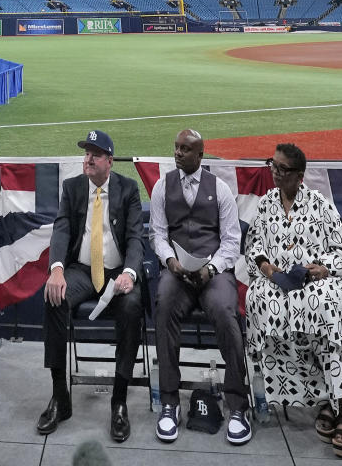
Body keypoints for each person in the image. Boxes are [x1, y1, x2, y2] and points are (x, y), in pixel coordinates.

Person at [246, 142, 342, 459]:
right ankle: (330, 399)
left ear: (299, 176)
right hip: (280, 284)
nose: (274, 172)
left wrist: (323, 268)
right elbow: (254, 244)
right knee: (263, 300)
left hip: (321, 281)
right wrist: (268, 269)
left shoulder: (319, 204)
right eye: (272, 165)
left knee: (324, 307)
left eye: (282, 169)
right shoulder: (266, 204)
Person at [36, 128, 143, 445]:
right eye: (86, 153)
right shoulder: (72, 188)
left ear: (110, 160)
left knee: (133, 306)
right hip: (81, 271)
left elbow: (136, 238)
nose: (88, 159)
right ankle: (60, 396)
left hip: (117, 273)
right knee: (54, 297)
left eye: (95, 155)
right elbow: (61, 230)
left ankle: (119, 400)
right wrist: (56, 269)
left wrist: (130, 273)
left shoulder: (128, 189)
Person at [148, 128, 251, 445]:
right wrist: (169, 261)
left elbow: (232, 241)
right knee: (163, 306)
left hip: (213, 272)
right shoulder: (161, 187)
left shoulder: (219, 189)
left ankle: (236, 405)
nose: (178, 153)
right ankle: (169, 402)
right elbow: (158, 234)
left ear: (200, 155)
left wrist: (211, 268)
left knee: (224, 311)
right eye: (176, 148)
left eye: (185, 149)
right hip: (177, 272)